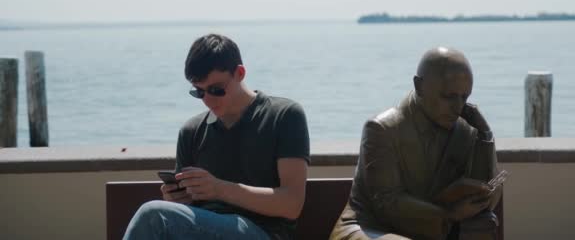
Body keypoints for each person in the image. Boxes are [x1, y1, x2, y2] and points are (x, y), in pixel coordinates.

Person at [123, 34, 310, 240]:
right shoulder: (192, 131)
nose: (208, 100)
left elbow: (292, 204)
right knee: (160, 216)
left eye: (216, 90)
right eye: (199, 92)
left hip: (263, 232)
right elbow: (189, 215)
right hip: (203, 230)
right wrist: (177, 201)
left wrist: (219, 189)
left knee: (154, 216)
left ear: (240, 73)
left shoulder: (284, 116)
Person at [330, 47, 501, 240]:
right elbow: (387, 203)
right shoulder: (382, 129)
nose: (458, 107)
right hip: (370, 228)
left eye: (464, 97)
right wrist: (448, 214)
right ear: (419, 86)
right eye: (448, 97)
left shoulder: (466, 130)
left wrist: (485, 137)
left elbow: (488, 199)